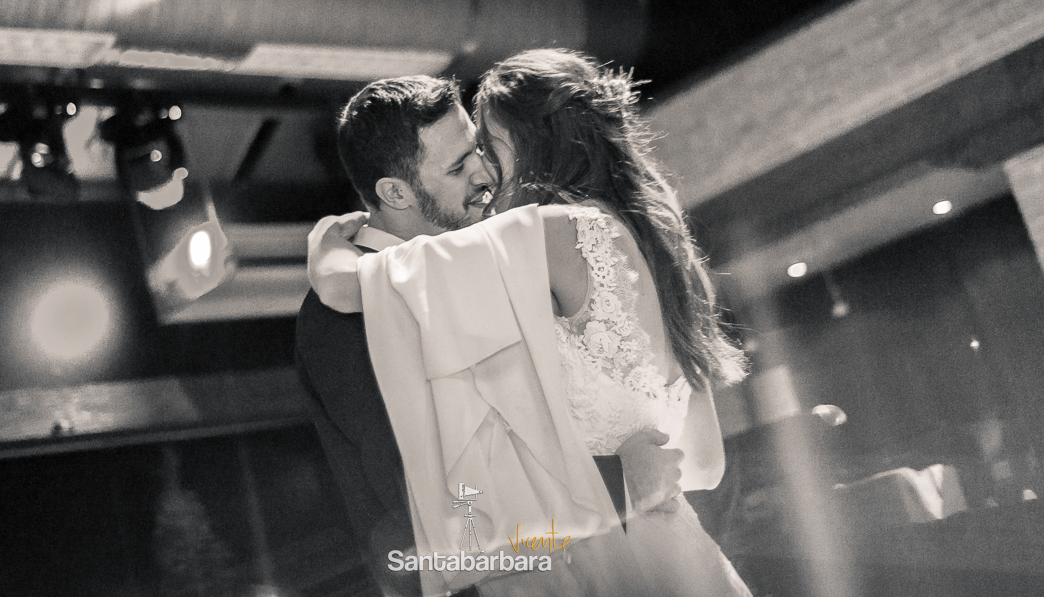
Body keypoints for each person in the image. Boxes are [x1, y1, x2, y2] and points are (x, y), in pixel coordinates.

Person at [310, 50, 752, 596]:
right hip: (680, 561)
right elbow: (704, 465)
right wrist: (634, 471)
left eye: (485, 147)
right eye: (466, 159)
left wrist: (324, 248)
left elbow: (345, 285)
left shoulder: (550, 235)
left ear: (531, 147)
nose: (482, 171)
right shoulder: (663, 252)